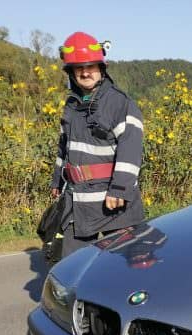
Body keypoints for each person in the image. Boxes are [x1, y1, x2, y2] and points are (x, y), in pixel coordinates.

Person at [51, 31, 145, 259]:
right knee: (73, 267)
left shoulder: (119, 103)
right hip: (78, 201)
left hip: (114, 204)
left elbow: (131, 148)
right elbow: (65, 146)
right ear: (71, 72)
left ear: (101, 68)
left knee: (124, 266)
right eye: (78, 68)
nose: (85, 72)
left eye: (90, 66)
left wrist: (120, 188)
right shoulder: (71, 105)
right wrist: (57, 180)